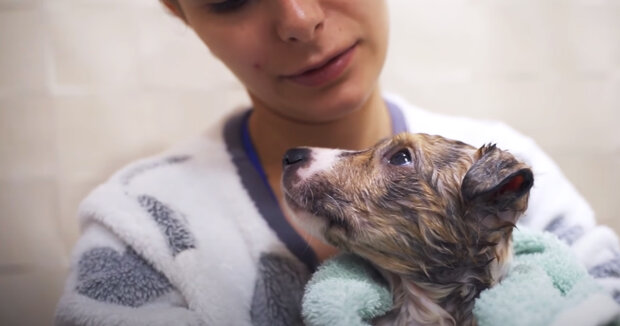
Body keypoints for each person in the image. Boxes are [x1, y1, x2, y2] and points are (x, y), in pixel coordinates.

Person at [54, 1, 620, 325]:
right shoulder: (141, 226)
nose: (298, 18)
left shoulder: (509, 179)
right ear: (178, 9)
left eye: (398, 161)